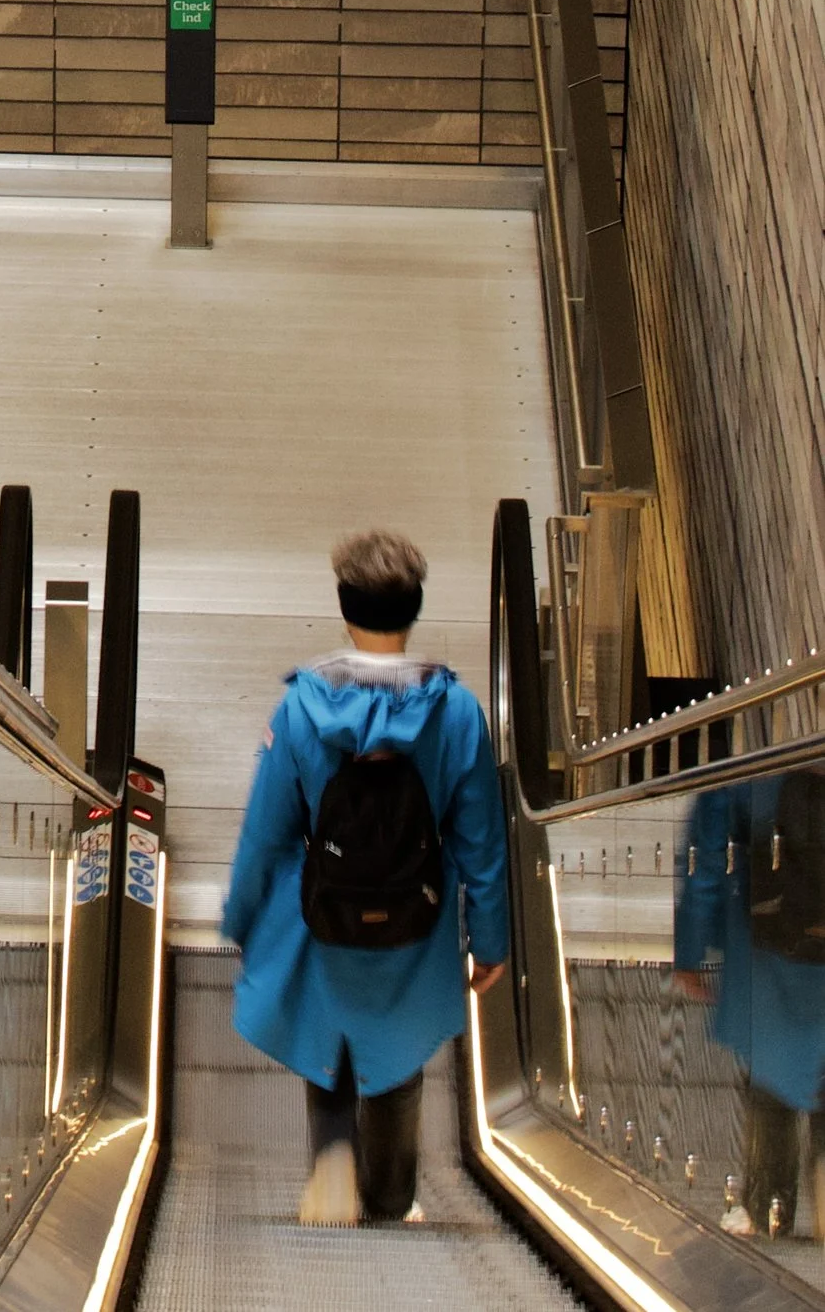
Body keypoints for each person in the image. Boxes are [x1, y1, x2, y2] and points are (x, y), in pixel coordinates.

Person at [222, 525, 509, 1227]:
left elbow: (268, 826)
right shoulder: (458, 712)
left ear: (345, 605)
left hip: (321, 909)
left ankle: (332, 1157)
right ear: (412, 610)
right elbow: (483, 840)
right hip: (418, 913)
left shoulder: (302, 706)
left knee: (330, 1036)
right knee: (398, 1043)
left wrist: (242, 911)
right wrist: (492, 938)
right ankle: (389, 1195)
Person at [673, 762, 825, 1236]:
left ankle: (766, 1210)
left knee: (771, 1077)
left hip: (769, 937)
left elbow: (706, 853)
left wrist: (692, 947)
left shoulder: (751, 756)